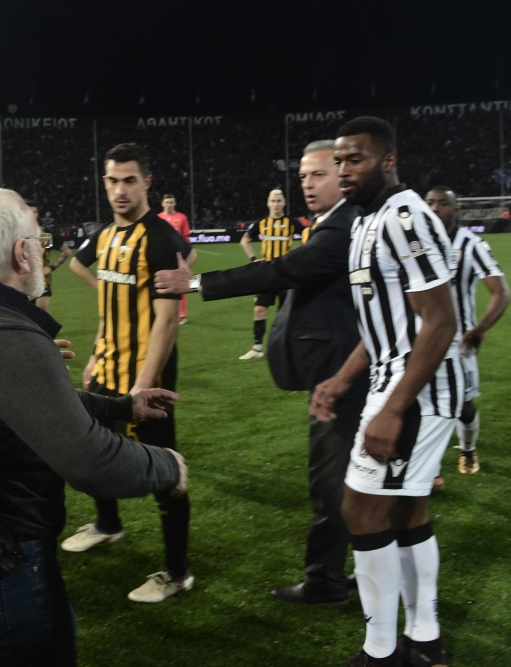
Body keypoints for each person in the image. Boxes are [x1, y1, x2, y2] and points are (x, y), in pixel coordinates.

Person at [0, 187, 186, 666]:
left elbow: (31, 403)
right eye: (37, 243)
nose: (42, 254)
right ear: (22, 254)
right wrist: (166, 465)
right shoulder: (7, 336)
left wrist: (121, 407)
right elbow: (90, 461)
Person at [154, 140, 365, 606]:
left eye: (319, 174)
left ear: (344, 175)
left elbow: (284, 269)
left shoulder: (343, 226)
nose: (308, 184)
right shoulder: (335, 223)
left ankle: (327, 581)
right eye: (304, 176)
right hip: (342, 369)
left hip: (344, 373)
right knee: (352, 478)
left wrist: (193, 282)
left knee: (331, 481)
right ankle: (361, 570)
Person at [311, 117, 459, 667]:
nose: (345, 171)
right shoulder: (366, 222)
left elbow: (439, 322)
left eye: (357, 160)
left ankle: (381, 651)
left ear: (388, 161)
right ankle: (425, 642)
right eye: (340, 161)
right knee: (406, 513)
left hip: (414, 392)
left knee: (361, 511)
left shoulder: (405, 216)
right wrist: (343, 378)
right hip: (395, 382)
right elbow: (386, 327)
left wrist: (393, 409)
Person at [65, 143, 195, 603]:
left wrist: (146, 382)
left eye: (129, 180)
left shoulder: (158, 238)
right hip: (108, 369)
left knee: (165, 472)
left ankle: (177, 573)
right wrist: (97, 352)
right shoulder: (103, 237)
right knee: (92, 453)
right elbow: (109, 303)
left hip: (145, 377)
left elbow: (165, 319)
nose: (120, 190)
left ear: (146, 183)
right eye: (113, 180)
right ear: (104, 182)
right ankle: (107, 524)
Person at [423, 186, 508, 484]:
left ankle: (468, 449)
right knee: (421, 403)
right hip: (420, 341)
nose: (435, 208)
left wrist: (480, 329)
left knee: (463, 405)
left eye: (442, 204)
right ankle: (430, 469)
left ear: (456, 209)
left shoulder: (471, 245)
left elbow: (500, 292)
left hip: (460, 344)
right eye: (429, 203)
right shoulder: (415, 245)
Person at [238, 189, 304, 360]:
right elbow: (244, 240)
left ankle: (286, 347)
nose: (276, 204)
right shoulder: (261, 223)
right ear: (268, 203)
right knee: (259, 310)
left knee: (285, 314)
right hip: (266, 273)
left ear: (284, 203)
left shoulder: (291, 222)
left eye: (279, 201)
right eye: (273, 201)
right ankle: (257, 348)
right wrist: (253, 258)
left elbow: (309, 237)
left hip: (285, 274)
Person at [26, 202, 71, 312]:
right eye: (29, 212)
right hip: (24, 281)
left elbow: (66, 252)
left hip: (42, 281)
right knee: (26, 317)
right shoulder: (18, 234)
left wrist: (51, 268)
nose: (32, 214)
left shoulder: (44, 234)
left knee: (41, 316)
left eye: (35, 212)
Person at [158, 194, 191, 324]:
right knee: (161, 282)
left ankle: (182, 314)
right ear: (162, 203)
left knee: (181, 283)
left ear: (175, 203)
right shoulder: (158, 218)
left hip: (178, 256)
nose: (169, 204)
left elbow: (186, 238)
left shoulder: (182, 217)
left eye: (171, 202)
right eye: (167, 202)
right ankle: (163, 311)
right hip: (162, 255)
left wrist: (185, 255)